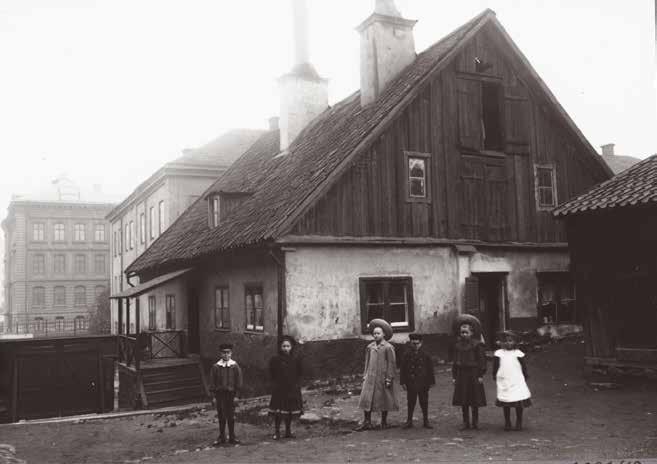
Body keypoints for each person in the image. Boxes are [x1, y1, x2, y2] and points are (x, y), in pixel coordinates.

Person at [355, 319, 399, 431]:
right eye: (374, 333)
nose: (376, 335)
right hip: (370, 377)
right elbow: (367, 362)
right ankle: (367, 421)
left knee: (384, 398)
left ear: (384, 334)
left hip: (382, 377)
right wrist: (365, 375)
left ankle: (384, 422)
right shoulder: (370, 347)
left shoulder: (388, 347)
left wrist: (389, 378)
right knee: (366, 398)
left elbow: (391, 364)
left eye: (378, 333)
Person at [493, 331, 532, 431]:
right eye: (505, 341)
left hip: (516, 379)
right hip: (504, 379)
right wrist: (495, 375)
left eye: (510, 341)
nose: (508, 343)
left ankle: (519, 422)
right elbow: (496, 366)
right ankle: (507, 422)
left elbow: (523, 366)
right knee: (506, 401)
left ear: (514, 342)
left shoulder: (518, 353)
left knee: (518, 399)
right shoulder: (499, 353)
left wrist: (525, 375)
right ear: (501, 342)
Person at [452, 322, 487, 430]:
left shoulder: (477, 345)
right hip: (461, 374)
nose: (464, 335)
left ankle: (475, 422)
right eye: (462, 332)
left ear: (471, 333)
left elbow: (482, 361)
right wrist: (454, 376)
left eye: (466, 332)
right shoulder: (457, 345)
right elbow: (455, 362)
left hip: (473, 374)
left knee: (474, 398)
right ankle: (465, 422)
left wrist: (480, 375)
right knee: (464, 398)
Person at [268, 335, 303, 440]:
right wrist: (275, 384)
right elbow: (272, 373)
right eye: (284, 346)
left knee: (289, 411)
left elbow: (300, 373)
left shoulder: (295, 359)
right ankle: (277, 432)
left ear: (291, 347)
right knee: (278, 411)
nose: (286, 348)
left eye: (288, 346)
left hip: (292, 389)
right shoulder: (275, 360)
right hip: (279, 389)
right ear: (280, 347)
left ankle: (288, 431)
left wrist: (296, 385)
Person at [209, 343, 243, 446]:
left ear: (231, 353)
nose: (226, 355)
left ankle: (232, 436)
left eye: (228, 352)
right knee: (221, 416)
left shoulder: (235, 366)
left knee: (231, 416)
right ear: (220, 354)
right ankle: (222, 436)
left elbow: (239, 382)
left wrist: (237, 396)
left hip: (231, 395)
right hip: (220, 395)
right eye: (224, 353)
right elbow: (212, 383)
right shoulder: (216, 367)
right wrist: (213, 397)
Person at [400, 333, 435, 429]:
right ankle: (409, 421)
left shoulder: (426, 355)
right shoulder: (406, 354)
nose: (415, 346)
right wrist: (402, 382)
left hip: (423, 382)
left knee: (424, 401)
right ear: (410, 343)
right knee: (411, 401)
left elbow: (430, 369)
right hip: (411, 382)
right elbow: (402, 369)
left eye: (417, 343)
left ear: (421, 343)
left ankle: (426, 421)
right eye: (413, 344)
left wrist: (431, 381)